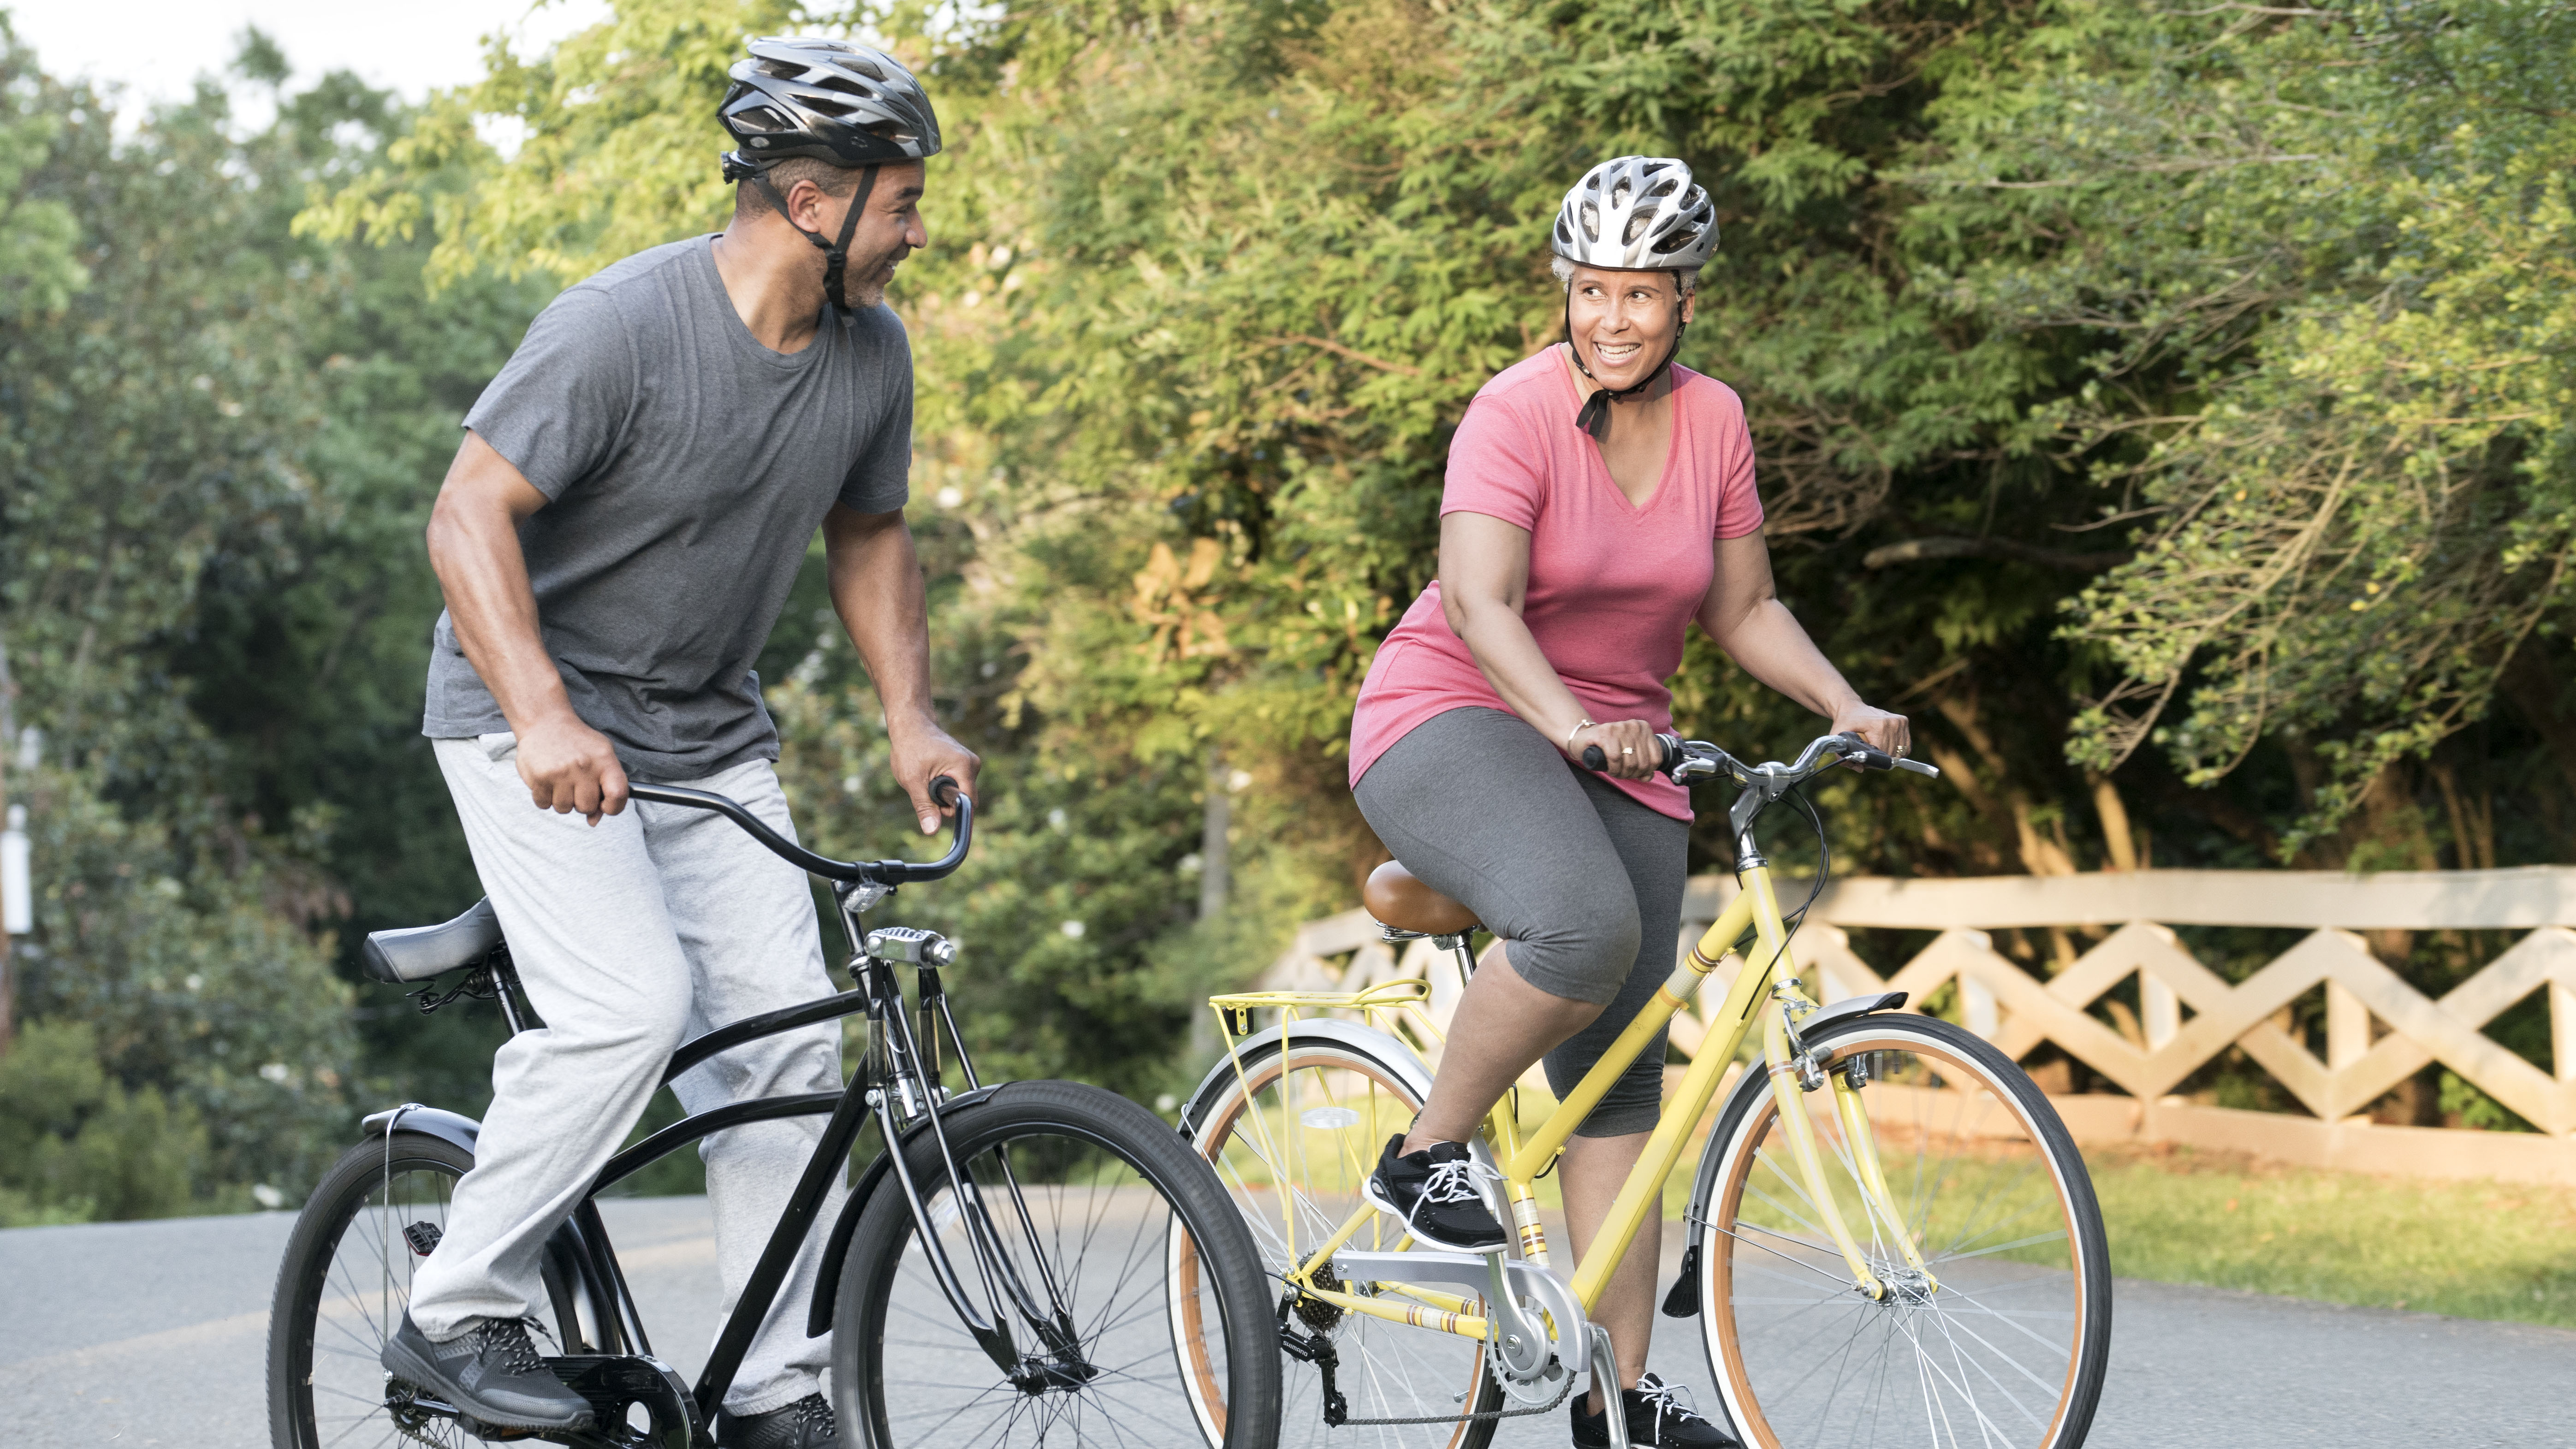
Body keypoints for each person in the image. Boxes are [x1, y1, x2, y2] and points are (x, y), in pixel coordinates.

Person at [376, 37, 977, 1449]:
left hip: (706, 737)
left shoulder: (868, 353)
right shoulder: (620, 327)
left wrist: (910, 714)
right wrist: (540, 712)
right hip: (532, 724)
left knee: (780, 1052)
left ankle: (769, 1394)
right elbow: (466, 516)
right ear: (814, 202)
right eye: (900, 200)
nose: (918, 228)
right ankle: (457, 1310)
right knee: (630, 1008)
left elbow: (871, 531)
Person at [1347, 155, 1911, 1449]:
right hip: (1457, 714)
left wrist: (1840, 703)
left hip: (1626, 747)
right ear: (1565, 290)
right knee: (1581, 932)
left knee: (1617, 1083)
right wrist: (1568, 727)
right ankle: (1421, 1158)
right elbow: (1481, 604)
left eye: (1640, 294)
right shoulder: (1512, 410)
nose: (1611, 316)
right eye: (1590, 289)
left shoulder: (1714, 422)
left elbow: (1741, 606)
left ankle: (1613, 1397)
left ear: (1684, 302)